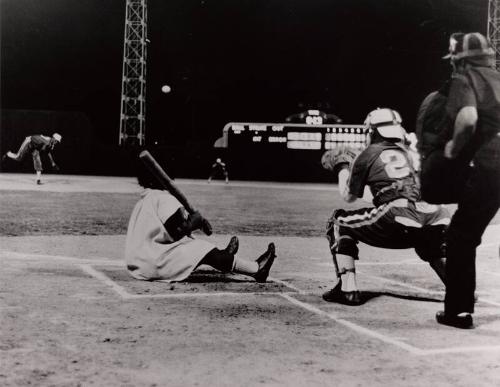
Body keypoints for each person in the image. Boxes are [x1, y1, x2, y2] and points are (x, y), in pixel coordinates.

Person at [321, 108, 451, 305]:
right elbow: (389, 194)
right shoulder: (410, 151)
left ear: (372, 131)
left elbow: (348, 197)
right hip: (435, 213)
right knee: (429, 243)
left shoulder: (368, 154)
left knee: (339, 221)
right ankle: (460, 288)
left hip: (399, 214)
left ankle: (347, 289)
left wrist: (342, 169)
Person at [433, 32, 500, 329]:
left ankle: (458, 311)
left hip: (492, 166)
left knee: (461, 236)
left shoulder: (466, 79)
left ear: (462, 60)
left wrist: (453, 148)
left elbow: (469, 118)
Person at [125, 157, 276, 282]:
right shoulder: (163, 198)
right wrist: (194, 222)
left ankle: (224, 257)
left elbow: (171, 230)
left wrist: (194, 221)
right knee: (201, 247)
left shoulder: (146, 199)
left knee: (192, 244)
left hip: (140, 263)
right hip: (155, 264)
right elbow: (177, 232)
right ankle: (256, 269)